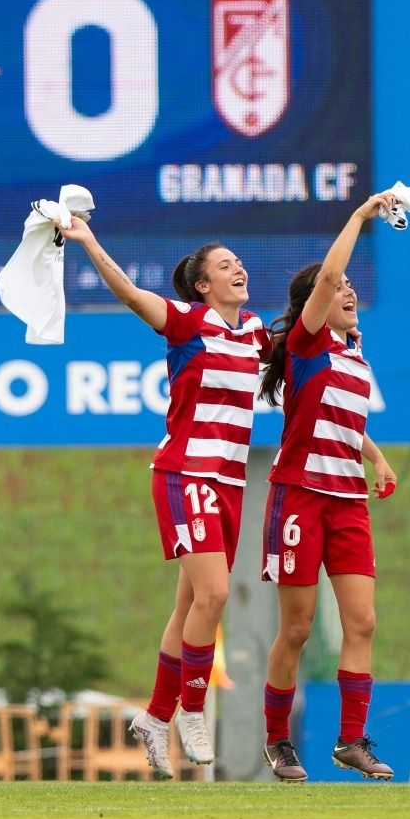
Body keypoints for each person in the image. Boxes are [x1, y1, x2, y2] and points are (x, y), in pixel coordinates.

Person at [55, 216, 270, 779]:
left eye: (238, 262)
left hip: (228, 482)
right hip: (186, 472)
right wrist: (86, 239)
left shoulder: (253, 333)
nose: (238, 269)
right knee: (216, 594)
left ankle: (154, 715)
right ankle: (190, 712)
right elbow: (128, 293)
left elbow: (303, 349)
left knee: (189, 607)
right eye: (225, 266)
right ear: (202, 285)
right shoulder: (186, 322)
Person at [256, 193, 400, 783]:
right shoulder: (306, 344)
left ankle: (351, 741)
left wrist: (378, 458)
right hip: (299, 494)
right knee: (296, 627)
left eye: (347, 289)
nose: (346, 292)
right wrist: (360, 216)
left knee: (362, 622)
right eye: (335, 288)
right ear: (315, 303)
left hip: (346, 501)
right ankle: (276, 742)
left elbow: (345, 421)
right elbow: (331, 274)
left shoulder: (355, 354)